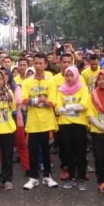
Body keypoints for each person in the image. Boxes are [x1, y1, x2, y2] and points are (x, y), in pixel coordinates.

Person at [21, 52, 59, 190]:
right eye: (35, 63)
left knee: (46, 151)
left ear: (45, 64)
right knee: (32, 151)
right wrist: (40, 99)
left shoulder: (51, 82)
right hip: (32, 124)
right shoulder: (27, 82)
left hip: (47, 123)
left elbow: (52, 102)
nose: (37, 66)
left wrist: (35, 101)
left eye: (40, 63)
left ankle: (47, 176)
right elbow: (24, 101)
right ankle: (33, 178)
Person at [56, 66, 89, 190]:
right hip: (65, 124)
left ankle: (81, 178)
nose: (69, 78)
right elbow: (57, 108)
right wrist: (73, 107)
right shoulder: (60, 90)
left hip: (79, 124)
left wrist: (67, 107)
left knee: (80, 151)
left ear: (76, 76)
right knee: (68, 152)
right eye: (67, 76)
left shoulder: (83, 88)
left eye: (71, 75)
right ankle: (71, 177)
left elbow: (84, 105)